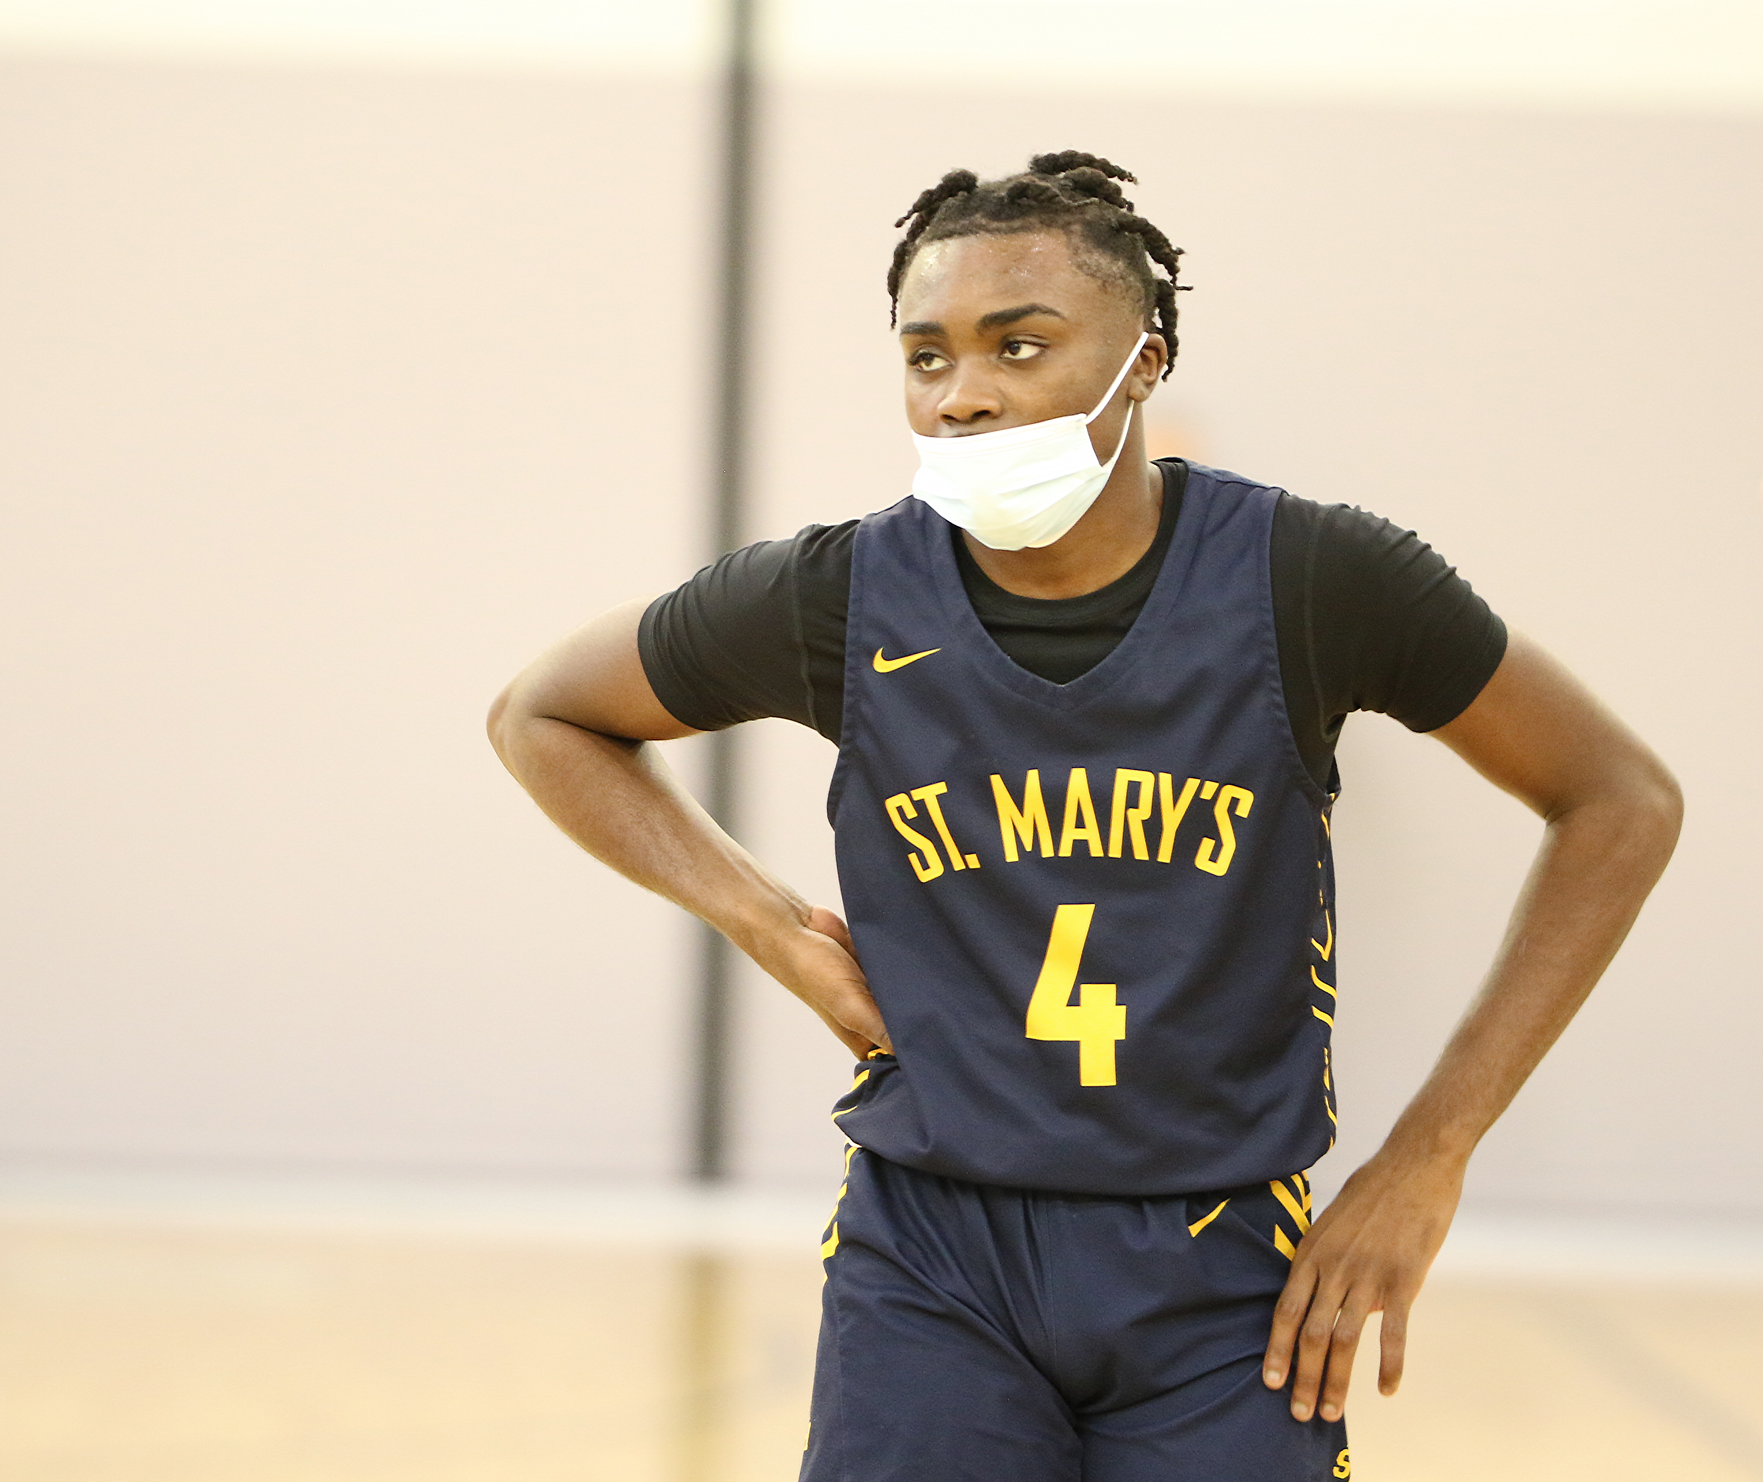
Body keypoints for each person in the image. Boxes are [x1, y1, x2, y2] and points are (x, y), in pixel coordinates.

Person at [488, 151, 1681, 1481]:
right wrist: (766, 923)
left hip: (1226, 1269)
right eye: (927, 357)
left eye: (1020, 344)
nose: (964, 391)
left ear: (1144, 361)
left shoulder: (1313, 577)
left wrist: (1429, 1157)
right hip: (934, 1254)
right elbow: (543, 715)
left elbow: (1618, 799)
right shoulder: (843, 594)